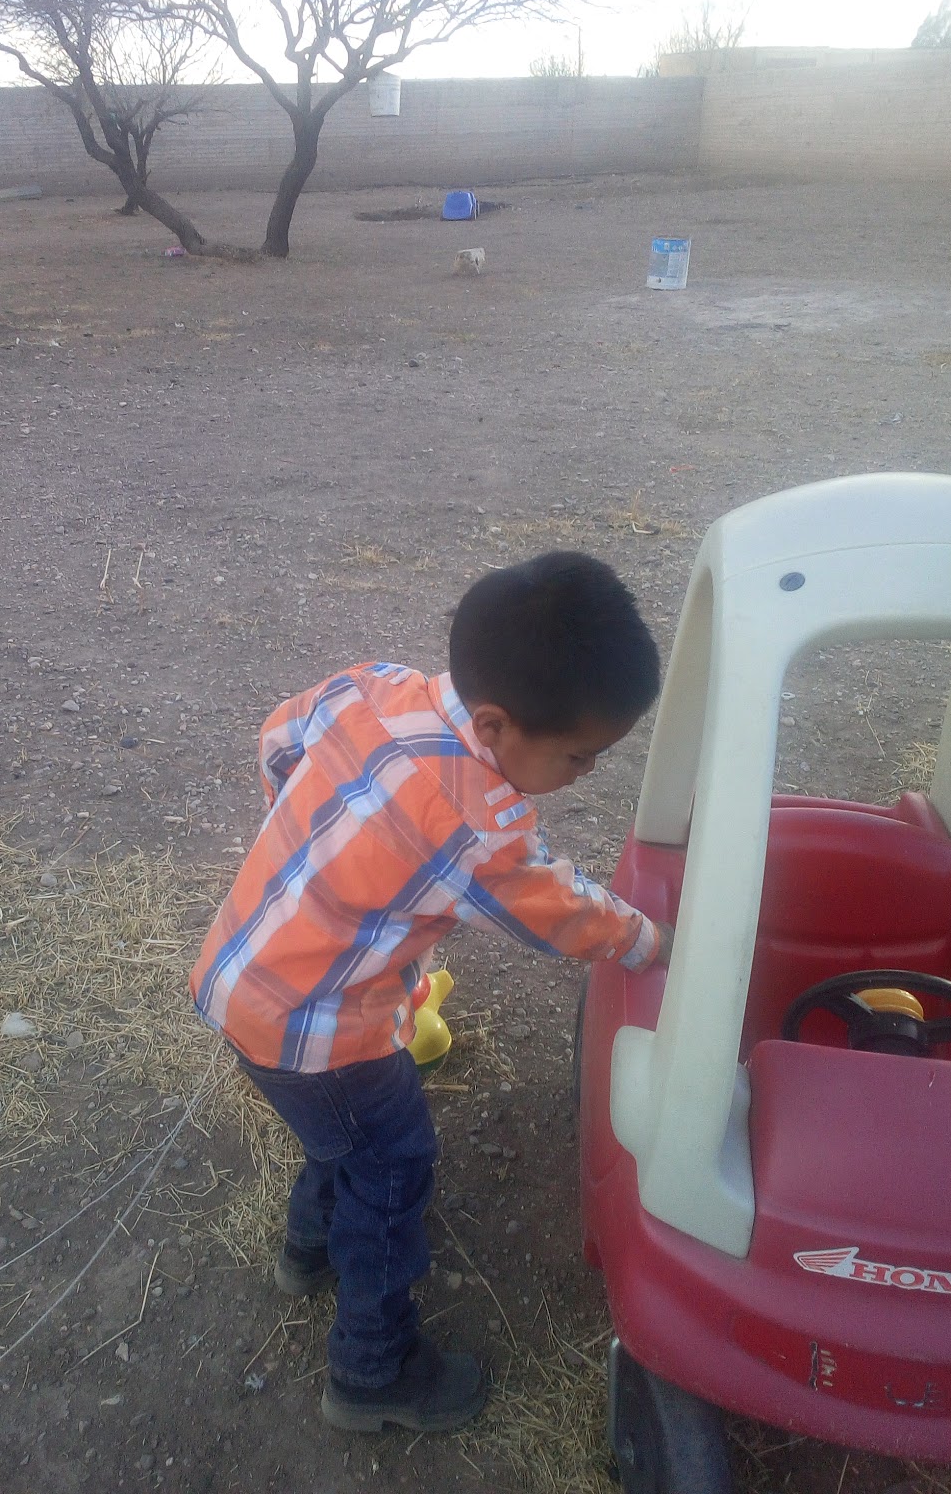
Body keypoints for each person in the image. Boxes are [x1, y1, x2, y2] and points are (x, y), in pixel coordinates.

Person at [189, 551, 671, 1433]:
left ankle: (307, 1248)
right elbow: (558, 913)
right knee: (391, 1168)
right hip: (323, 1035)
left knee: (338, 1139)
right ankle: (371, 1370)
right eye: (579, 756)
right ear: (494, 724)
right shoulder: (475, 825)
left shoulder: (374, 687)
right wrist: (647, 941)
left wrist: (310, 839)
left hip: (239, 972)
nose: (586, 773)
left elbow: (279, 742)